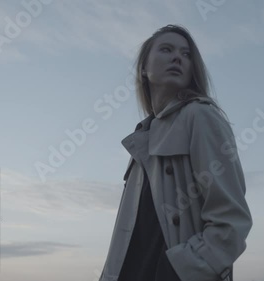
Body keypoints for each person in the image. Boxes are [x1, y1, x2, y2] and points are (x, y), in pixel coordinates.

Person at [99, 24, 253, 281]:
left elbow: (231, 220)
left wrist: (181, 269)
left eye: (186, 54)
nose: (177, 58)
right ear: (144, 69)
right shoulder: (141, 138)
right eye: (166, 49)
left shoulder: (200, 115)